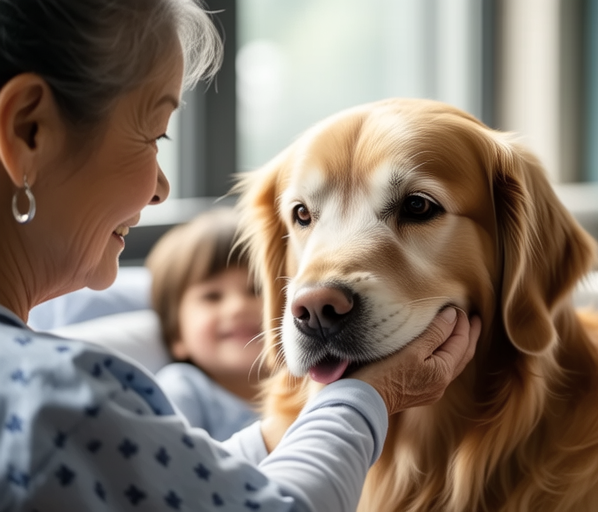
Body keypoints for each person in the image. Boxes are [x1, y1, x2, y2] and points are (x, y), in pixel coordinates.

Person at [0, 1, 482, 511]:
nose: (161, 188)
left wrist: (284, 429)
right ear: (30, 129)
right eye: (153, 134)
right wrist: (372, 395)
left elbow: (186, 495)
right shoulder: (58, 400)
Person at [148, 207, 263, 441]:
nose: (238, 307)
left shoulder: (317, 386)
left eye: (257, 290)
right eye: (212, 296)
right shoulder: (183, 390)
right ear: (177, 334)